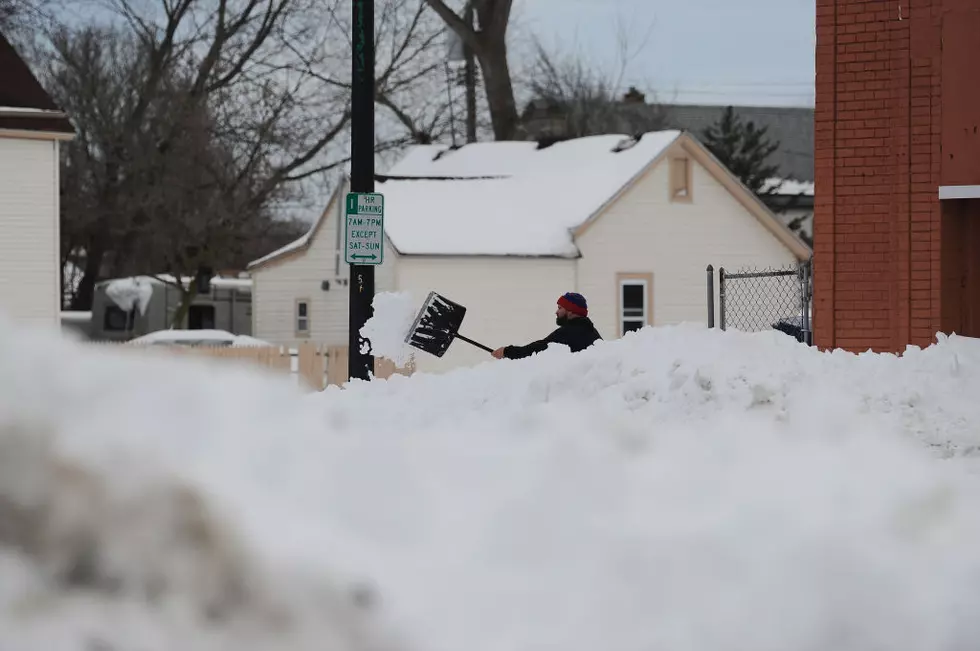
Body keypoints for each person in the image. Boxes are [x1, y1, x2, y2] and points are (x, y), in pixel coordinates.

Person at [492, 292, 602, 360]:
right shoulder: (592, 332)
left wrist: (507, 352)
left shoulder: (568, 333)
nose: (556, 312)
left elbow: (536, 350)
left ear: (571, 311)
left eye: (560, 308)